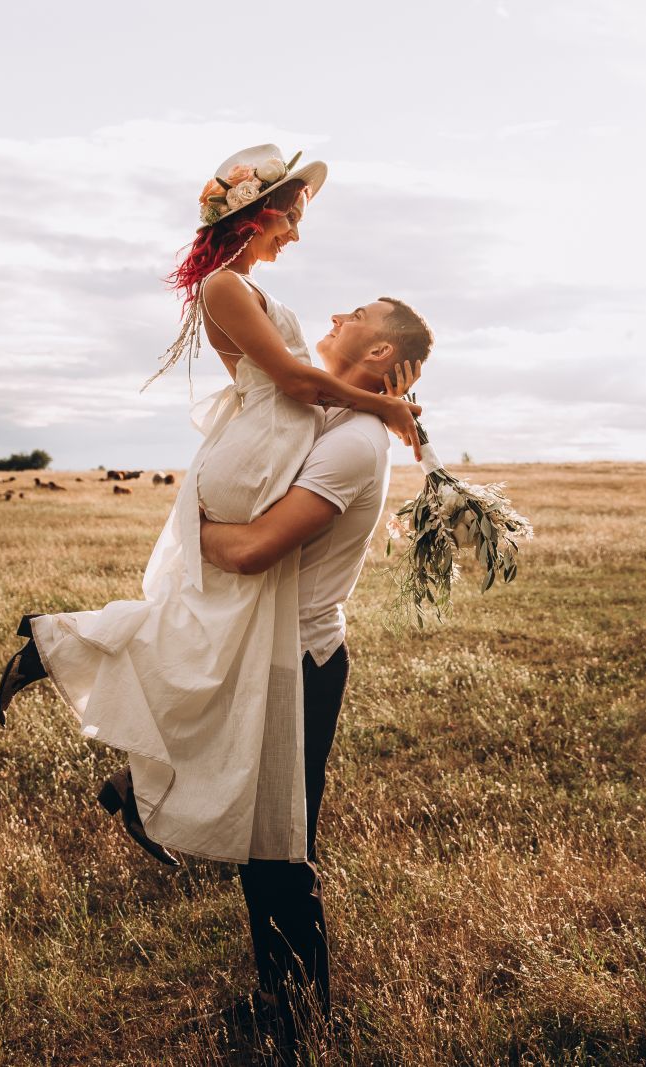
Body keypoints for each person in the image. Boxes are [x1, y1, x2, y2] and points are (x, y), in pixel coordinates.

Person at [0, 145, 422, 868]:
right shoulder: (223, 286)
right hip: (253, 453)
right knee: (220, 617)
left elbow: (310, 391)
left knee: (219, 630)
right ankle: (59, 644)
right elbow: (293, 382)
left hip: (273, 442)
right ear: (255, 214)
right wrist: (381, 407)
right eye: (291, 217)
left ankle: (139, 780)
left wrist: (378, 398)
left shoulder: (243, 287)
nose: (296, 233)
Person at [200, 295, 434, 1041]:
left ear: (380, 352)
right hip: (266, 651)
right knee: (259, 845)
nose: (335, 314)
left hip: (300, 661)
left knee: (279, 850)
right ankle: (282, 1003)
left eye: (357, 312)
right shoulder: (323, 410)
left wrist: (190, 527)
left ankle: (300, 1023)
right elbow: (233, 339)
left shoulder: (356, 442)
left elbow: (252, 549)